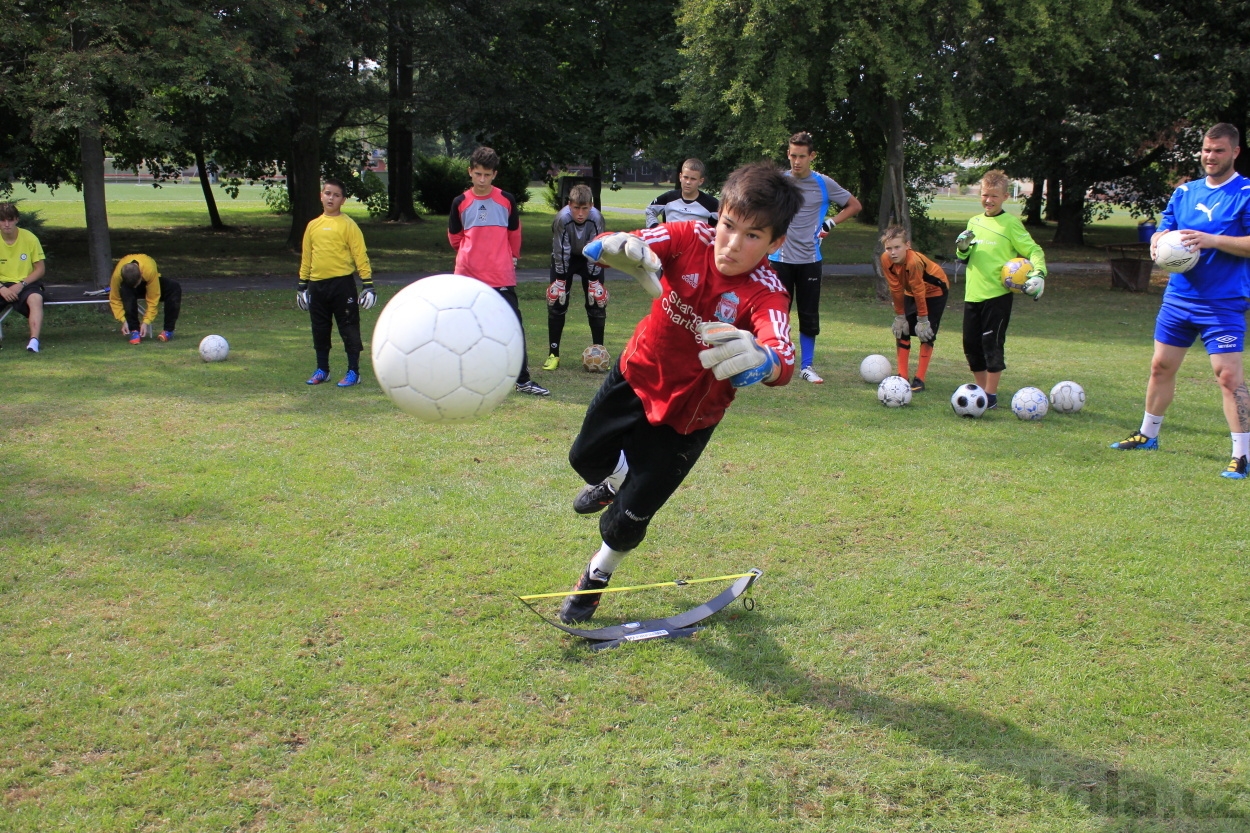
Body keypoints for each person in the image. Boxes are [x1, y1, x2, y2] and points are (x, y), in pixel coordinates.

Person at [556, 161, 803, 624]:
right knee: (584, 461)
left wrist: (765, 361)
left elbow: (783, 358)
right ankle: (613, 478)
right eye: (729, 225)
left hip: (689, 419)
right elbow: (608, 247)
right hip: (635, 377)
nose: (732, 243)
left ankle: (595, 577)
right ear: (719, 216)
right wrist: (616, 247)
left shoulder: (768, 292)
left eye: (753, 236)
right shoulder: (689, 236)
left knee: (631, 517)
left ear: (775, 244)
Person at [1110, 123, 1250, 479]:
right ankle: (1147, 434)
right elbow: (1165, 226)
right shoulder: (1185, 191)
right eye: (1206, 149)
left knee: (1229, 377)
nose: (1210, 156)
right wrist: (1158, 239)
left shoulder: (1246, 192)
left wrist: (1212, 239)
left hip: (1223, 301)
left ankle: (1242, 454)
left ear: (1235, 152)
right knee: (1161, 366)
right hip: (1179, 298)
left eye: (1218, 150)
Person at [449, 146, 549, 396]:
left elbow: (514, 233)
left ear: (494, 174)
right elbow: (455, 238)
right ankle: (465, 378)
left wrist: (513, 257)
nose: (482, 180)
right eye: (478, 174)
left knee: (512, 326)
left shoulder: (506, 200)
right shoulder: (459, 203)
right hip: (468, 277)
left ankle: (522, 380)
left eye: (487, 175)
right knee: (466, 329)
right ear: (470, 172)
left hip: (500, 276)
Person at [768, 131, 861, 383]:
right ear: (788, 154)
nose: (796, 161)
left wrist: (831, 222)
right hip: (779, 260)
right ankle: (777, 364)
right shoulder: (779, 181)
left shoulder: (823, 184)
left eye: (802, 156)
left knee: (808, 316)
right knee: (778, 315)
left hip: (810, 261)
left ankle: (807, 367)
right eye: (792, 156)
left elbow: (855, 205)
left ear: (812, 156)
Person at [955, 169, 1047, 409]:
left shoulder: (1010, 224)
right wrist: (962, 248)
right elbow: (965, 256)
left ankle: (991, 395)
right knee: (971, 346)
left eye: (994, 196)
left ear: (1006, 196)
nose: (988, 200)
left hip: (997, 296)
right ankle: (981, 392)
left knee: (991, 345)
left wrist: (1039, 274)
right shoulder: (974, 221)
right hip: (972, 294)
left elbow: (1034, 251)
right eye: (985, 195)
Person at [297, 177, 375, 387]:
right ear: (321, 196)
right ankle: (322, 369)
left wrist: (368, 284)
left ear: (343, 200)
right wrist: (302, 285)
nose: (331, 198)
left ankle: (353, 372)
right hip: (317, 286)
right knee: (320, 329)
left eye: (336, 195)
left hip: (342, 286)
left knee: (349, 328)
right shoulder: (313, 226)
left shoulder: (348, 225)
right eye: (327, 193)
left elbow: (360, 255)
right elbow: (307, 257)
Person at [544, 184, 608, 370]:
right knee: (557, 301)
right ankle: (553, 354)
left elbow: (597, 247)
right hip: (565, 259)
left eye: (585, 208)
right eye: (576, 208)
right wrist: (561, 280)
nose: (580, 213)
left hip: (591, 257)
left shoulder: (597, 218)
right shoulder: (562, 219)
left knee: (597, 301)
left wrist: (594, 280)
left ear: (592, 205)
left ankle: (600, 351)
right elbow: (560, 250)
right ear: (569, 204)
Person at [879, 225, 949, 391]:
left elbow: (920, 291)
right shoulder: (885, 259)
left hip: (935, 291)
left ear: (907, 245)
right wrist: (900, 316)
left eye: (897, 247)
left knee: (926, 333)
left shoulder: (914, 261)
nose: (893, 252)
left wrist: (923, 319)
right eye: (889, 248)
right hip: (910, 290)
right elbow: (895, 288)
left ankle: (920, 380)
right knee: (903, 329)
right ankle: (902, 376)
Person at [0, 202, 47, 353]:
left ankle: (34, 341)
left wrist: (21, 284)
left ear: (17, 220)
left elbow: (40, 269)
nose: (7, 224)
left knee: (35, 298)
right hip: (1, 284)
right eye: (2, 220)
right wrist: (2, 288)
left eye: (10, 219)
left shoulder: (29, 238)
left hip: (26, 282)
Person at [108, 254, 181, 344]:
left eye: (136, 284)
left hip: (148, 281)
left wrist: (146, 322)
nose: (135, 287)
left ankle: (168, 331)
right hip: (128, 285)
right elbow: (114, 299)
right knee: (126, 290)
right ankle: (134, 330)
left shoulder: (149, 270)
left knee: (174, 287)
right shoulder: (117, 276)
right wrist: (124, 320)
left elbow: (153, 298)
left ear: (141, 274)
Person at [644, 159, 720, 228]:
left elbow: (726, 221)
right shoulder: (668, 197)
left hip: (697, 243)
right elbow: (650, 210)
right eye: (685, 177)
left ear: (701, 181)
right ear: (680, 177)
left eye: (693, 179)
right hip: (671, 242)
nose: (688, 182)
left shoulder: (712, 203)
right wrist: (655, 228)